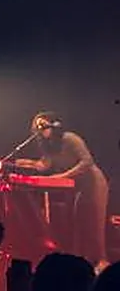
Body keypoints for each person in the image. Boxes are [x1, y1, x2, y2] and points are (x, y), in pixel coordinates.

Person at [15, 112, 110, 264]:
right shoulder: (49, 146)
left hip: (93, 182)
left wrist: (63, 176)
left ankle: (101, 263)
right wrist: (26, 163)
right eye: (38, 126)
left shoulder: (69, 138)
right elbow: (44, 165)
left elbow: (87, 162)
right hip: (79, 186)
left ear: (53, 124)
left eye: (44, 124)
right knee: (80, 225)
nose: (41, 128)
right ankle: (85, 264)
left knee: (94, 226)